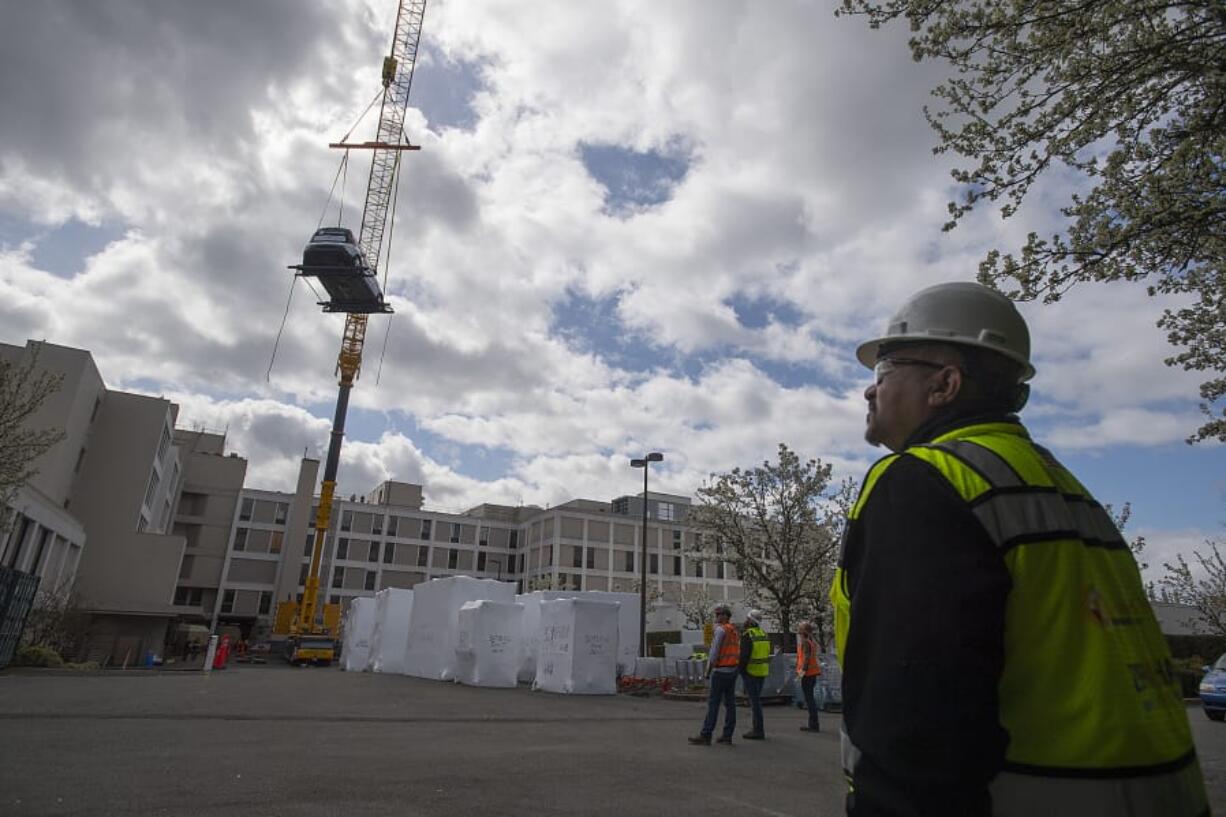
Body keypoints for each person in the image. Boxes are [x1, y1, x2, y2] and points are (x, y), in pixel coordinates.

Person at [830, 281, 1207, 816]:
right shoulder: (1064, 491)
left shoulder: (926, 481)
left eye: (884, 372)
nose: (870, 391)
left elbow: (918, 719)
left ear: (945, 384)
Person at [689, 604, 740, 746]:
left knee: (714, 704)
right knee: (730, 704)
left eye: (718, 615)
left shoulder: (720, 631)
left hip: (721, 671)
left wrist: (707, 671)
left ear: (725, 616)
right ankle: (727, 735)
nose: (716, 618)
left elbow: (713, 653)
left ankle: (706, 735)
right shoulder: (733, 630)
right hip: (732, 670)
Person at [738, 609, 770, 740]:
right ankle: (757, 729)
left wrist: (741, 671)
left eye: (747, 618)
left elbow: (744, 656)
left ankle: (758, 730)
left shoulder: (748, 635)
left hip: (750, 672)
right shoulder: (764, 634)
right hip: (762, 671)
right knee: (756, 701)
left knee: (755, 703)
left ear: (750, 620)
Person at [795, 621, 821, 733]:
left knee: (810, 700)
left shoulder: (805, 643)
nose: (798, 630)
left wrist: (801, 673)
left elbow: (806, 659)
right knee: (810, 699)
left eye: (800, 628)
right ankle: (813, 723)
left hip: (808, 674)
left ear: (804, 631)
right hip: (812, 673)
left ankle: (813, 725)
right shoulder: (811, 642)